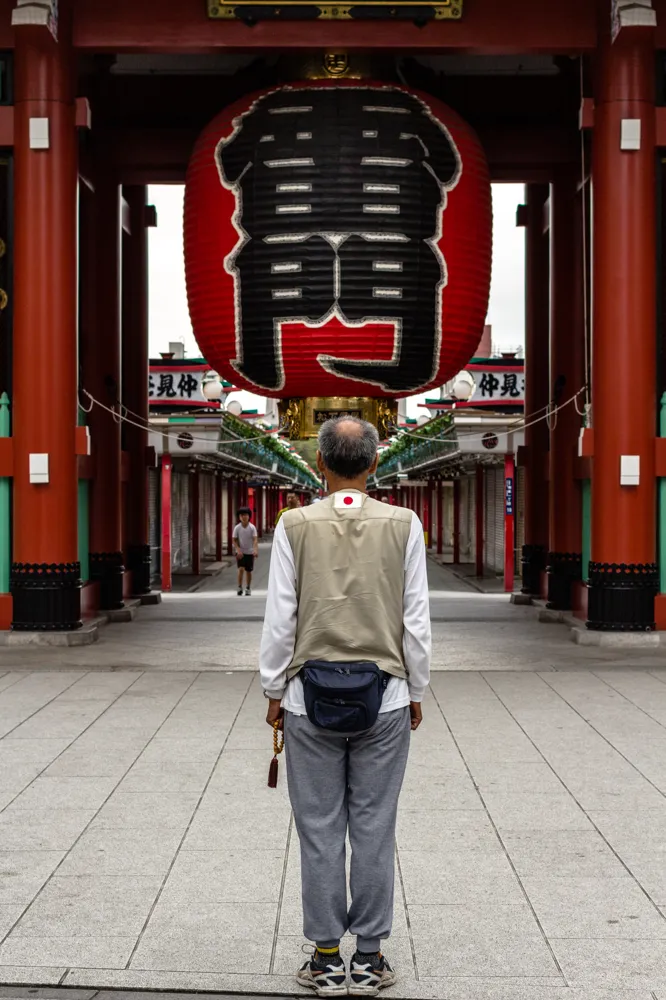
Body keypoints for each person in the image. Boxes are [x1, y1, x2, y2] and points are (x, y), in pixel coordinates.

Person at [260, 416, 431, 997]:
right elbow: (416, 621)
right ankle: (371, 959)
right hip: (385, 696)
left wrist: (274, 691)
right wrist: (418, 690)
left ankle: (327, 958)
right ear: (375, 463)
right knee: (375, 828)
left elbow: (281, 618)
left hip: (310, 698)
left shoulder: (294, 525)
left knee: (319, 829)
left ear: (320, 464)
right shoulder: (405, 524)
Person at [233, 506, 258, 596]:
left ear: (249, 516)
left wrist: (255, 550)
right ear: (239, 517)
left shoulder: (252, 527)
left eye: (246, 515)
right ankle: (239, 587)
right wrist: (238, 550)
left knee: (248, 570)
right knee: (241, 569)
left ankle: (248, 587)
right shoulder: (237, 528)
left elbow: (255, 539)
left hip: (250, 552)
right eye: (242, 515)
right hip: (241, 552)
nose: (244, 517)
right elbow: (234, 540)